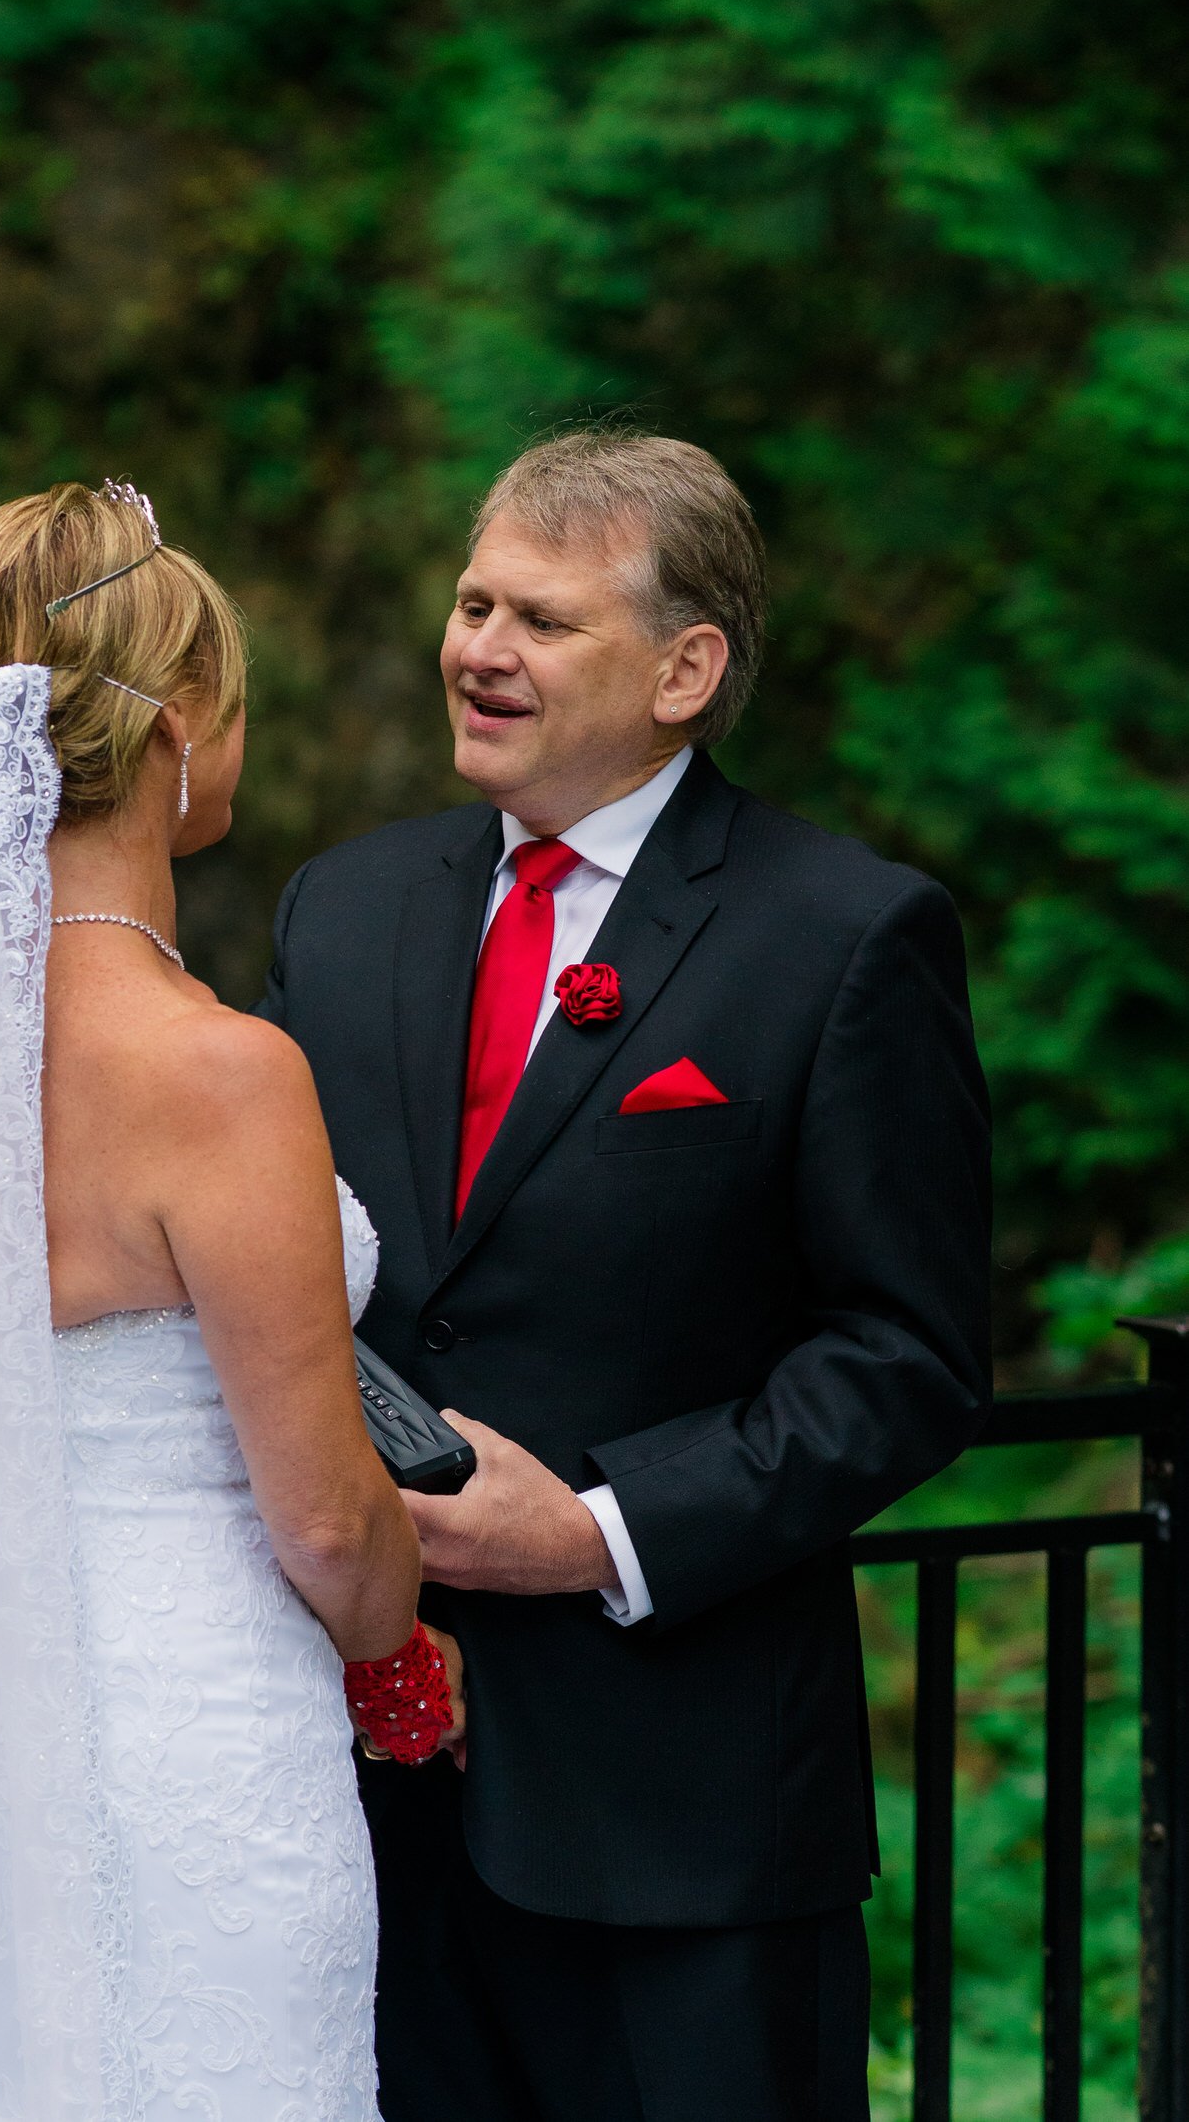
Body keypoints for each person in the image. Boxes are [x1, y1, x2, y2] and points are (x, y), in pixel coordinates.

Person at [259, 429, 993, 2122]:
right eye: (471, 602)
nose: (480, 649)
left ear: (686, 669)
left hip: (692, 1830)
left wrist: (597, 1534)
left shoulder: (847, 937)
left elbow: (906, 1357)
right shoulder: (341, 909)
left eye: (542, 620)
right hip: (353, 1816)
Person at [0, 480, 458, 2122]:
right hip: (188, 1748)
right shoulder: (219, 1074)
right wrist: (403, 1646)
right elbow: (328, 1526)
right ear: (185, 722)